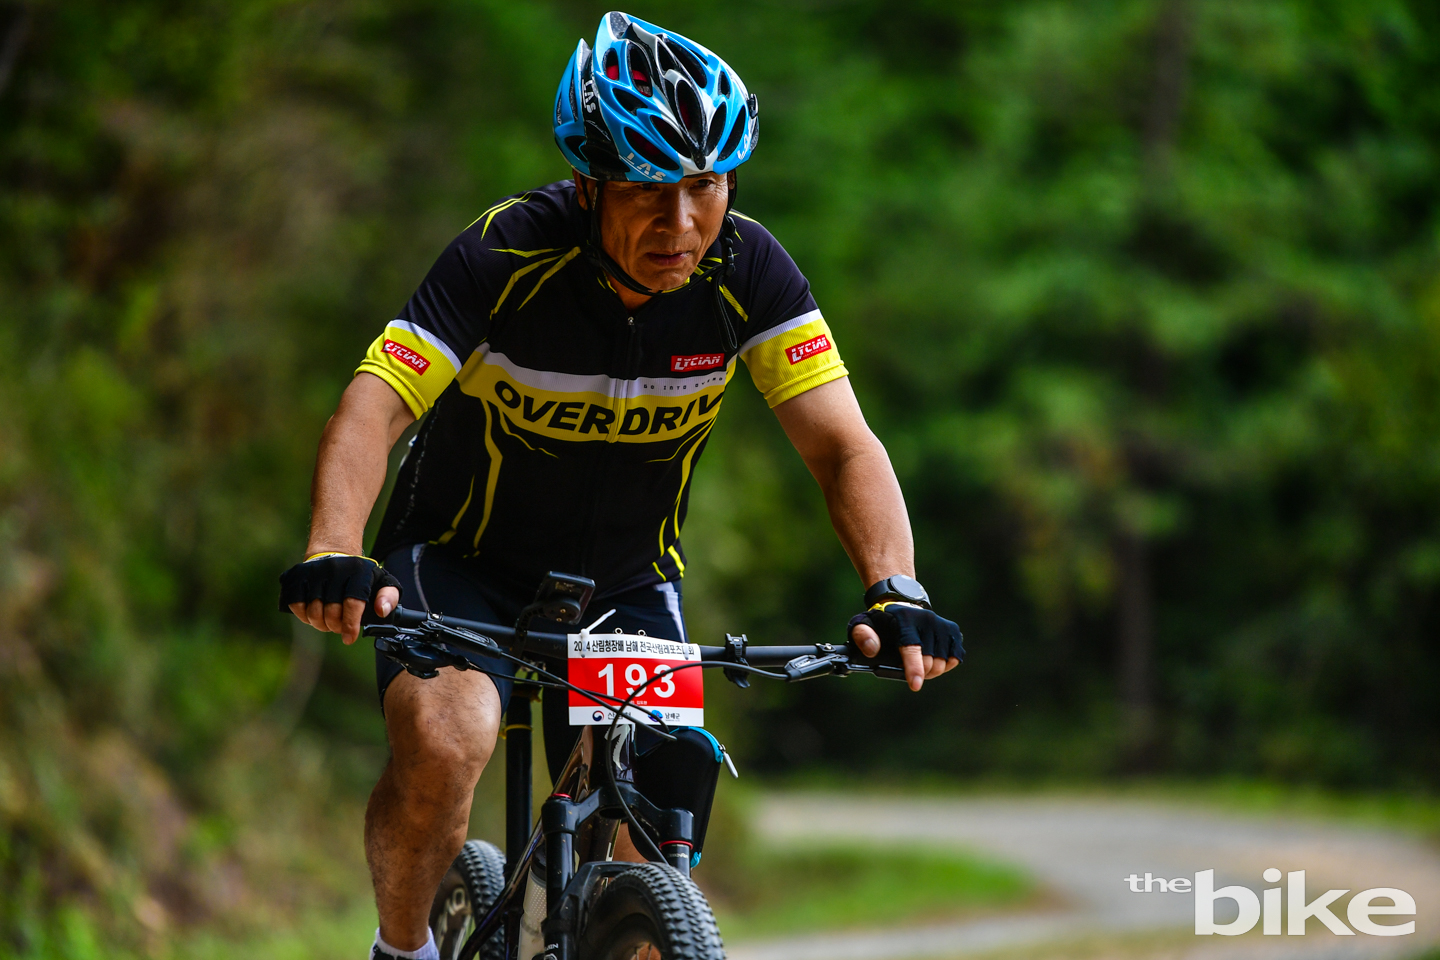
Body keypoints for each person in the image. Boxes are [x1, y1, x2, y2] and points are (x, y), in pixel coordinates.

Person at [278, 12, 963, 960]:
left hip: (626, 584)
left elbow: (843, 446)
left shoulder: (749, 271)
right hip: (459, 565)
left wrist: (898, 590)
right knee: (449, 741)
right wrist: (334, 546)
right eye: (646, 190)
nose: (680, 225)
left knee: (661, 819)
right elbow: (376, 405)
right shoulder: (505, 256)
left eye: (703, 186)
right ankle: (404, 951)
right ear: (588, 184)